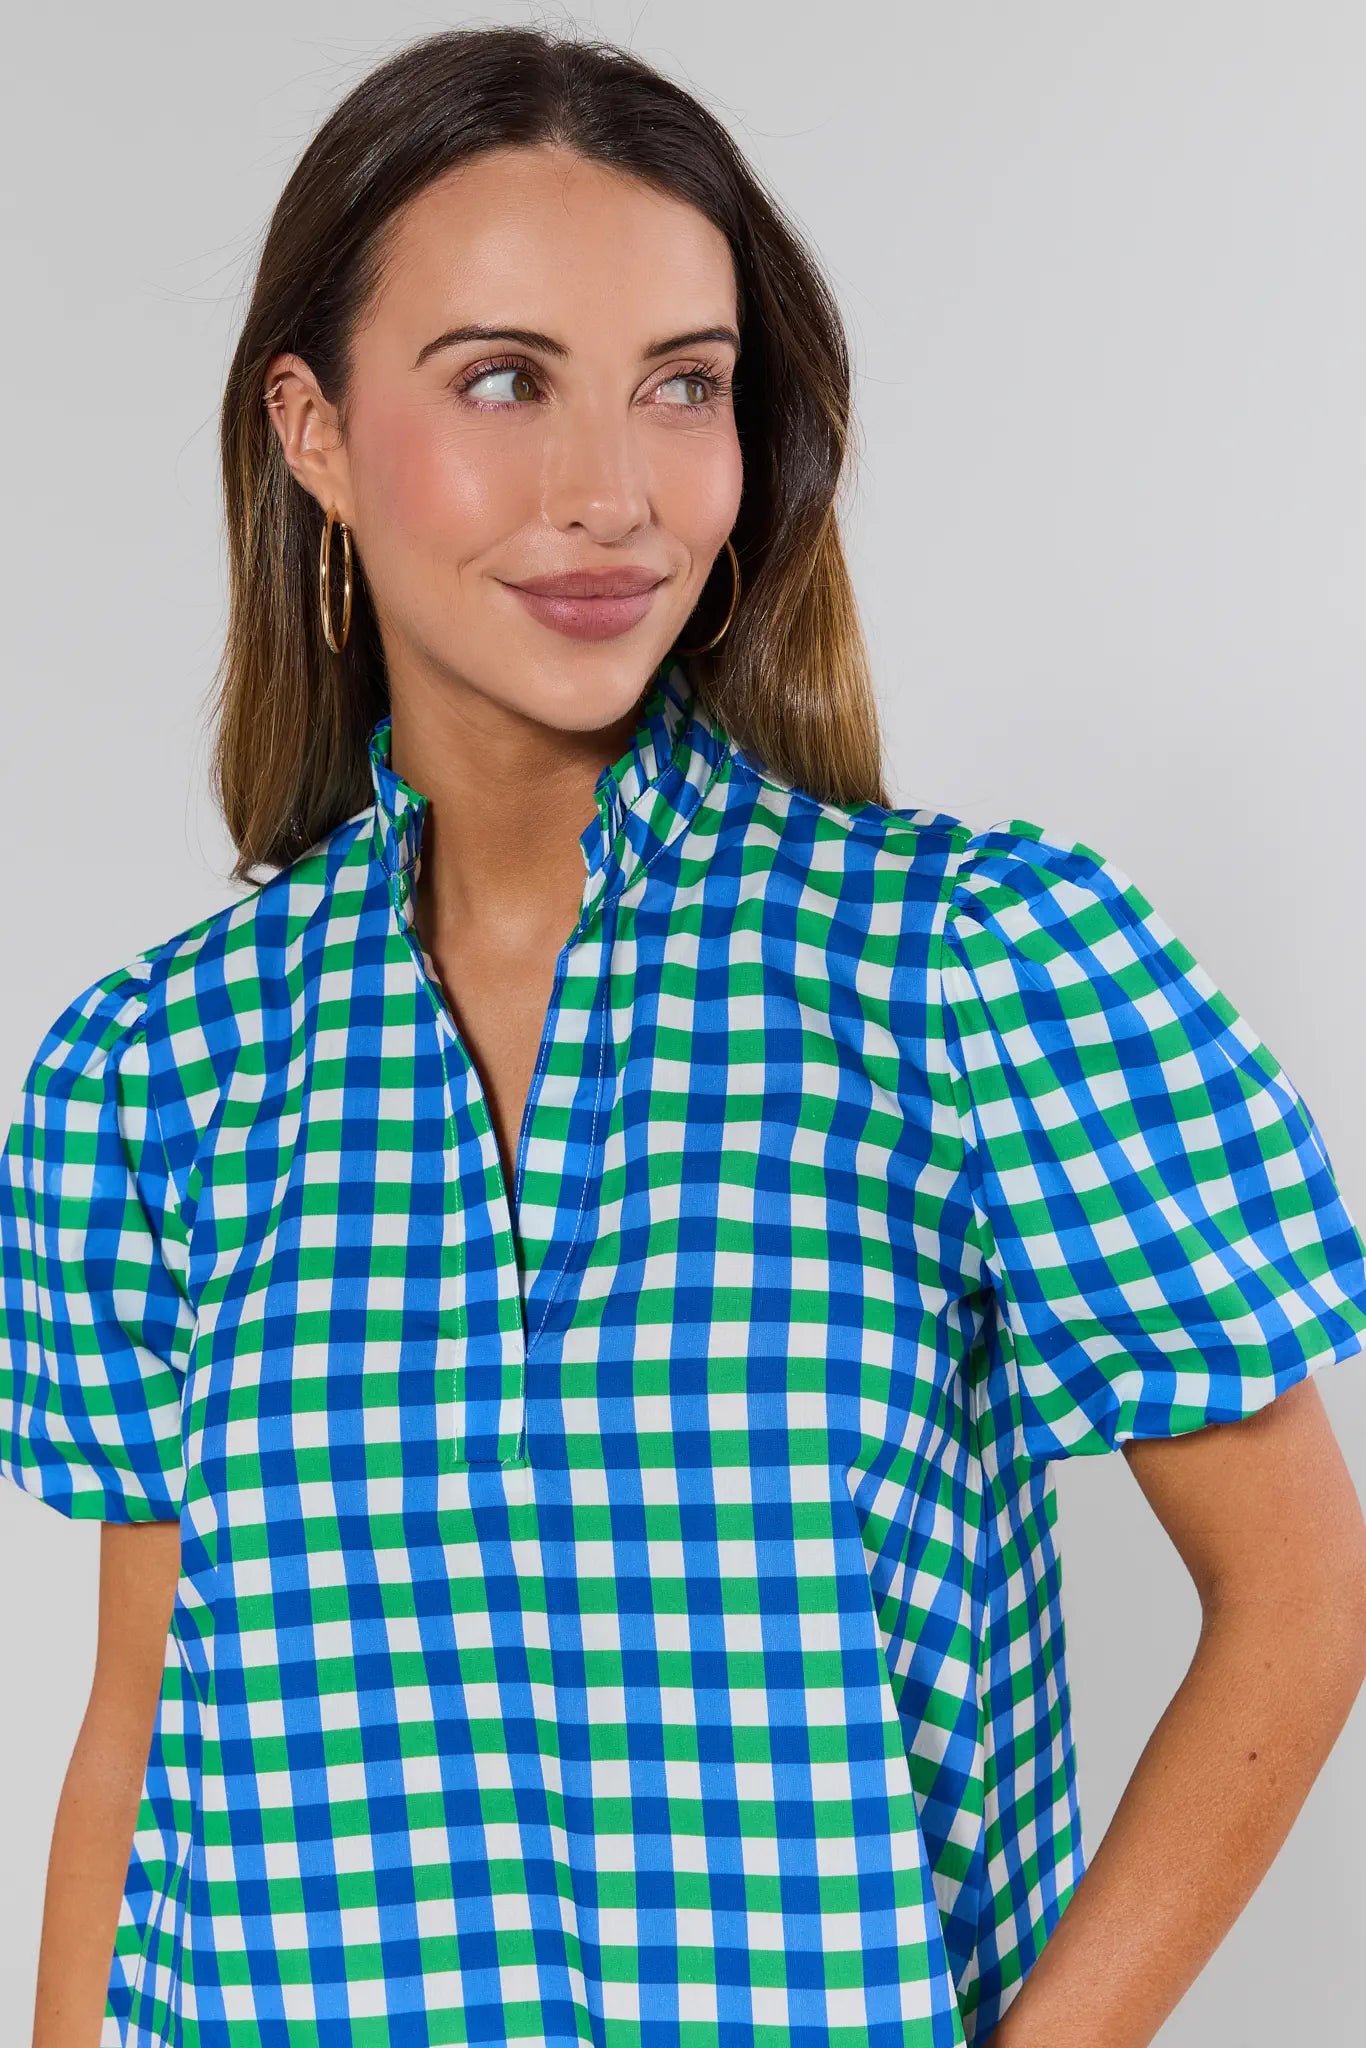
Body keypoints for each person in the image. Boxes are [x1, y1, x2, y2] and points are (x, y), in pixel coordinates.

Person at [3, 24, 1364, 2048]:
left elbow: (1295, 1604)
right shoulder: (149, 1073)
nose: (609, 493)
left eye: (683, 388)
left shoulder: (972, 968)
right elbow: (140, 1714)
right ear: (309, 428)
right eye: (500, 381)